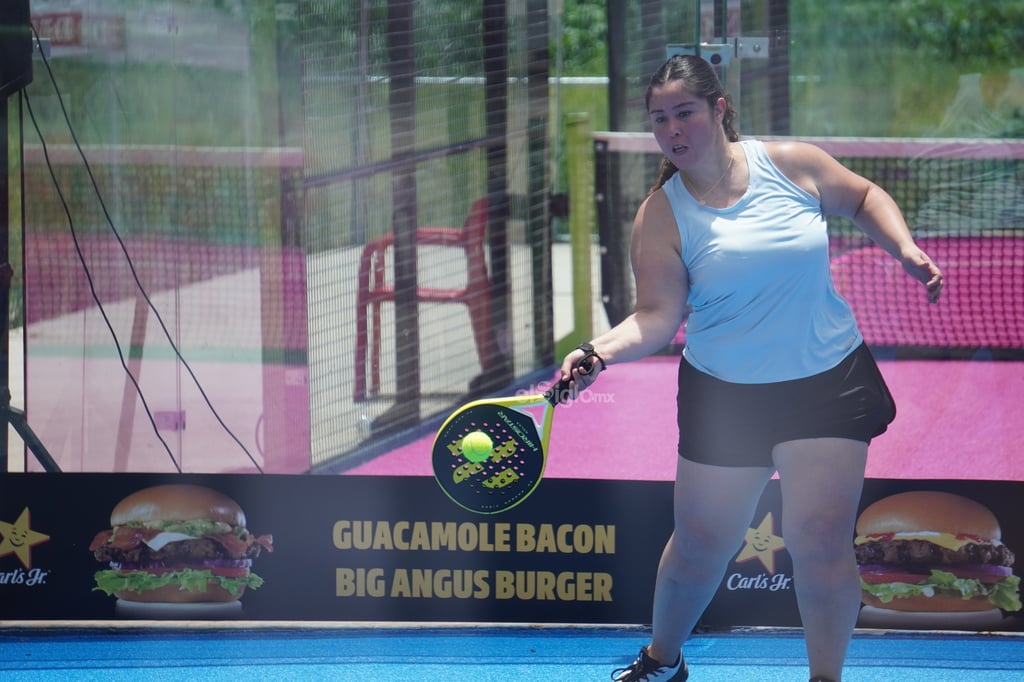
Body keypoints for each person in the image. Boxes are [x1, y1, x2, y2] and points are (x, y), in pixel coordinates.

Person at [558, 55, 944, 682]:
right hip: (725, 397)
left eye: (684, 112)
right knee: (702, 544)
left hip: (826, 381)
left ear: (720, 109)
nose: (673, 129)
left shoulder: (791, 164)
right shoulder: (661, 214)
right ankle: (663, 659)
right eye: (660, 120)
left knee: (819, 538)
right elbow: (656, 316)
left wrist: (902, 247)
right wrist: (599, 350)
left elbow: (864, 195)